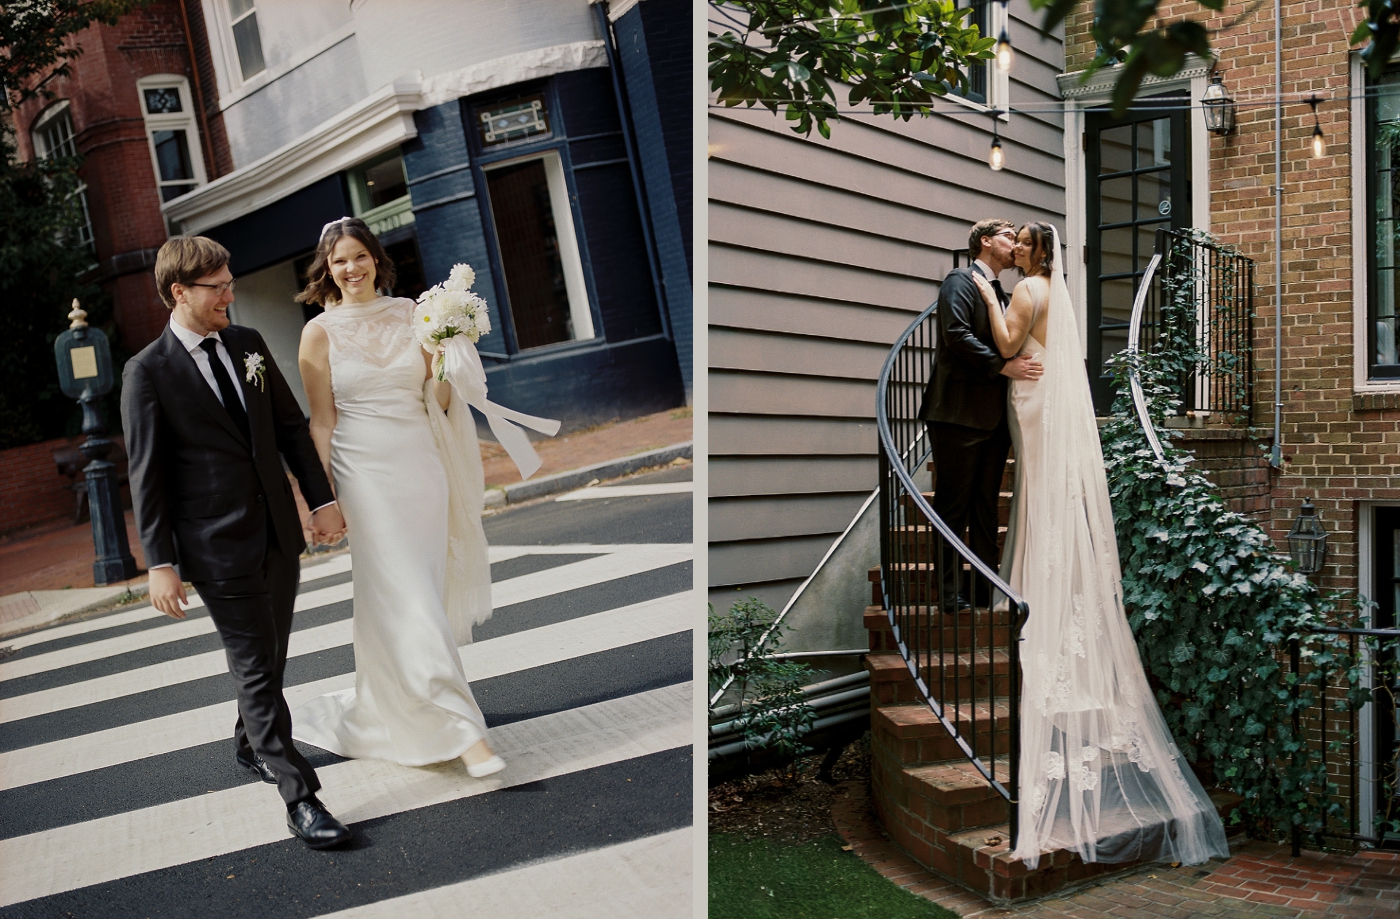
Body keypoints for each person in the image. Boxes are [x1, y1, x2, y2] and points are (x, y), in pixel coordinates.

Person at [973, 223, 1230, 868]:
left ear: (1032, 252)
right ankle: (1039, 581)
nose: (1018, 251)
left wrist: (984, 292)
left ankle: (1032, 588)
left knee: (1033, 490)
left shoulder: (1027, 291)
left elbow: (1006, 340)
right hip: (1048, 401)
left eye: (1022, 243)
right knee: (1040, 496)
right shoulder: (1060, 290)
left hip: (1030, 398)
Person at [121, 236, 354, 849]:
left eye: (230, 282)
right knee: (255, 669)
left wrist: (322, 501)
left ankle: (251, 741)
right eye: (218, 287)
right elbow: (147, 476)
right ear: (180, 293)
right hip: (215, 547)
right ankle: (301, 799)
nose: (231, 294)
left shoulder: (248, 345)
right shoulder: (147, 372)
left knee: (270, 657)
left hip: (277, 530)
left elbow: (287, 428)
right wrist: (161, 562)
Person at [289, 217, 504, 777]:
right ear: (326, 269)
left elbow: (438, 400)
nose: (350, 268)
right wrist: (323, 498)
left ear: (376, 260)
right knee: (407, 592)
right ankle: (463, 731)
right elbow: (321, 422)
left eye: (359, 256)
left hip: (420, 466)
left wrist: (447, 351)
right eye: (339, 261)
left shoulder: (415, 314)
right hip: (364, 474)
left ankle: (398, 707)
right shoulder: (318, 334)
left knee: (418, 595)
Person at [918, 219, 1043, 609]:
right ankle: (951, 593)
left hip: (993, 419)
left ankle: (987, 587)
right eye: (1010, 237)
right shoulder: (960, 280)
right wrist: (1004, 367)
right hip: (956, 414)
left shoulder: (1006, 292)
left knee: (986, 508)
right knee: (954, 506)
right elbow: (956, 334)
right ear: (986, 242)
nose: (1016, 244)